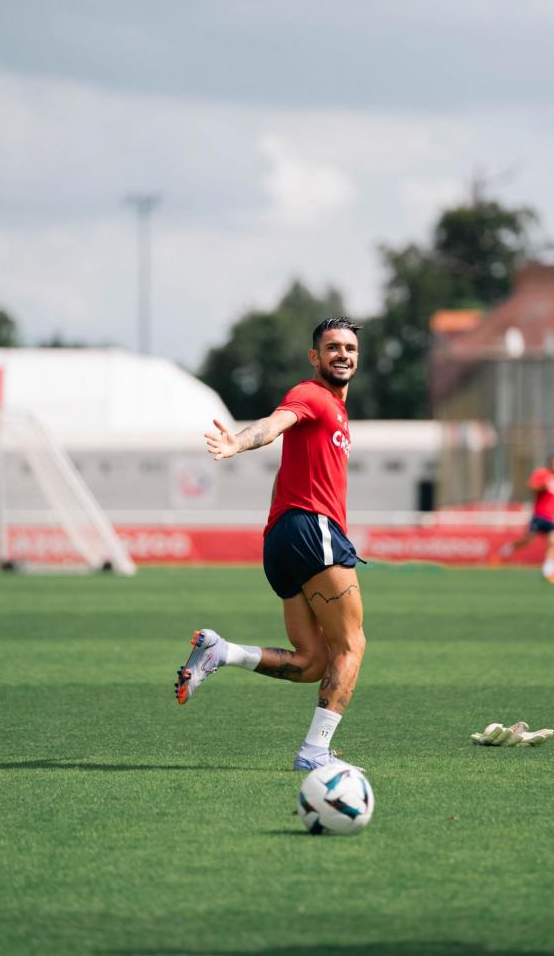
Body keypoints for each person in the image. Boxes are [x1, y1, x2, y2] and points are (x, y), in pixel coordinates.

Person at [174, 317, 366, 772]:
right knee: (351, 645)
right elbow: (274, 424)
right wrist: (237, 443)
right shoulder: (312, 395)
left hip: (282, 539)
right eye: (333, 347)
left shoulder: (336, 412)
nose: (343, 354)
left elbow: (289, 462)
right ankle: (314, 752)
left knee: (312, 662)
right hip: (310, 528)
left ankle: (221, 652)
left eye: (351, 349)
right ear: (314, 357)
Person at [493, 454, 554, 585]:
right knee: (527, 541)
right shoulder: (543, 474)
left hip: (552, 517)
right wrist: (544, 485)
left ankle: (549, 571)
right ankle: (504, 551)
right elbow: (532, 485)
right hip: (540, 515)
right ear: (551, 463)